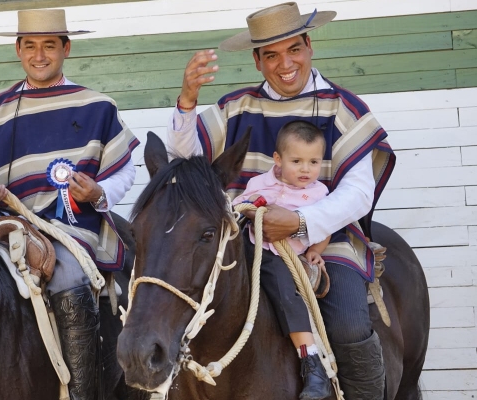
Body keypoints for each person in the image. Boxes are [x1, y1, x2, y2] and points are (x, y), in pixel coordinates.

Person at [167, 3, 396, 400]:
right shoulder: (236, 106)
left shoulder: (342, 107)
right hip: (245, 241)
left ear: (309, 46)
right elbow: (183, 156)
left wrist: (300, 222)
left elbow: (359, 192)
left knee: (345, 323)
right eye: (270, 55)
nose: (284, 64)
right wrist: (187, 101)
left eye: (293, 49)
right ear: (257, 61)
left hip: (324, 240)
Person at [0, 9, 138, 400]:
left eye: (49, 45)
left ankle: (85, 392)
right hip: (7, 222)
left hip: (72, 227)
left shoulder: (97, 105)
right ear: (18, 50)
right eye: (30, 46)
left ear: (65, 48)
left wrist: (98, 194)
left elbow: (123, 172)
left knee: (67, 274)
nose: (40, 55)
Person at [233, 120, 332, 400]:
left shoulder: (318, 194)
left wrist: (316, 250)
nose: (305, 169)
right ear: (278, 159)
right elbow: (239, 207)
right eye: (297, 161)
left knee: (286, 293)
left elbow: (324, 226)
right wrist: (252, 211)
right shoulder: (259, 183)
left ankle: (312, 363)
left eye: (314, 162)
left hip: (280, 254)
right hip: (251, 245)